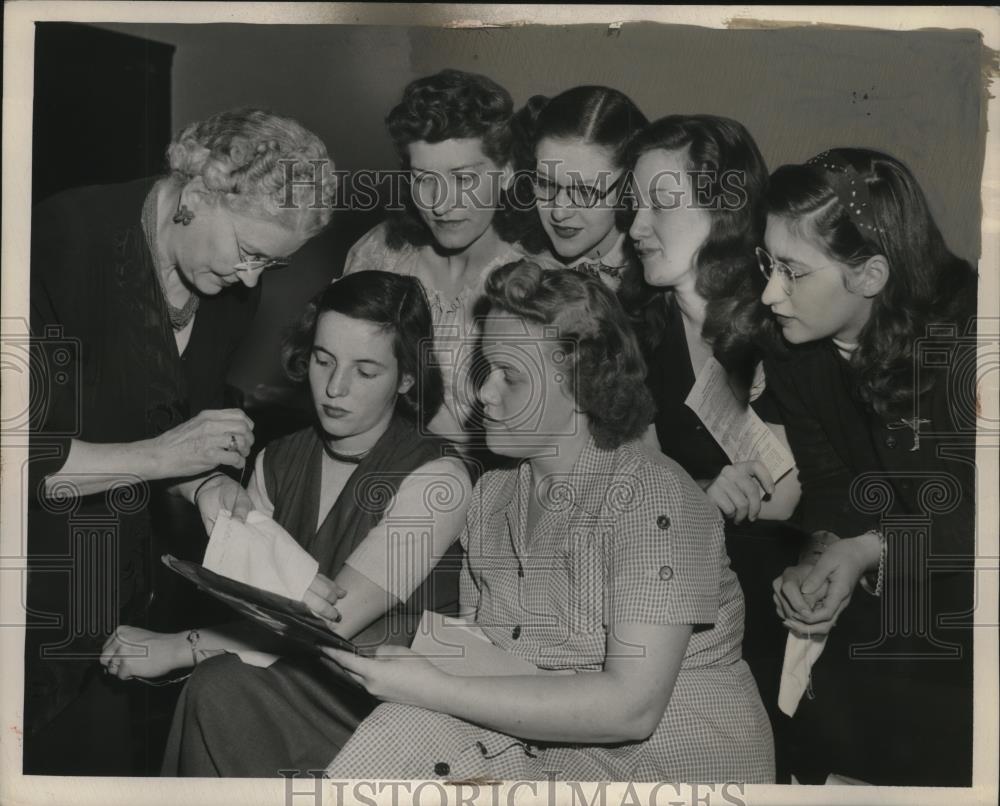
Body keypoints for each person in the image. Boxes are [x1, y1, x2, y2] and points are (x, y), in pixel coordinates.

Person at [323, 260, 775, 783]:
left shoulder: (651, 496)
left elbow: (631, 707)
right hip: (556, 755)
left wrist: (425, 686)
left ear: (583, 386)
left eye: (510, 376)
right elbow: (496, 663)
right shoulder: (493, 497)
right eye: (485, 370)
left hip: (675, 771)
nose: (485, 394)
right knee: (399, 732)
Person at [25, 107, 335, 774]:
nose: (253, 281)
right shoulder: (57, 242)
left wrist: (211, 488)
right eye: (250, 253)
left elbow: (182, 421)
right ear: (194, 196)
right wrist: (169, 458)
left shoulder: (224, 288)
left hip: (105, 593)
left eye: (271, 266)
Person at [101, 270, 472, 777]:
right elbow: (255, 617)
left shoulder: (439, 481)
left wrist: (177, 647)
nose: (335, 388)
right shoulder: (276, 463)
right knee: (220, 685)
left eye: (366, 372)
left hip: (386, 716)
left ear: (406, 378)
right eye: (323, 361)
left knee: (217, 686)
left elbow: (328, 622)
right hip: (281, 684)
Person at [762, 148, 977, 786]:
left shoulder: (970, 345)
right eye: (767, 263)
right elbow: (830, 482)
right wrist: (823, 555)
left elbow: (981, 519)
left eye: (793, 272)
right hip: (900, 587)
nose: (770, 292)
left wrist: (865, 552)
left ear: (871, 274)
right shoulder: (795, 345)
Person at [625, 114, 801, 751]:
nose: (637, 226)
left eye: (662, 204)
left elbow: (786, 495)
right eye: (634, 203)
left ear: (724, 210)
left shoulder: (785, 321)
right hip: (671, 605)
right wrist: (696, 488)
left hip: (784, 600)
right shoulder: (632, 334)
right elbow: (631, 489)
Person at [342, 69, 537, 442]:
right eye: (423, 178)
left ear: (508, 172)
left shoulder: (537, 279)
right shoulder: (379, 253)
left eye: (463, 179)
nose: (441, 204)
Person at [512, 85, 647, 295]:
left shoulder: (659, 275)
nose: (559, 211)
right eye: (546, 184)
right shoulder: (508, 255)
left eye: (585, 192)